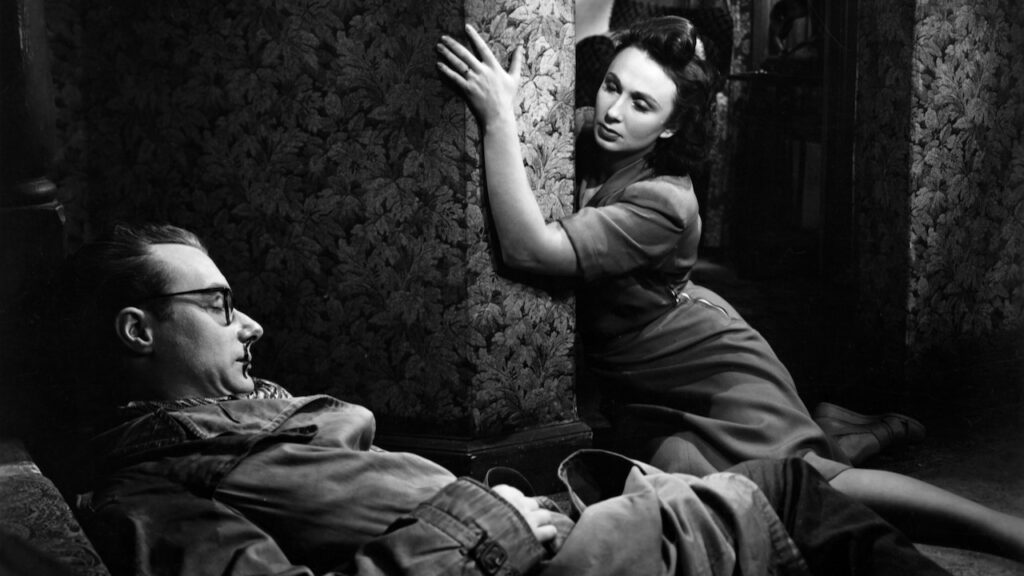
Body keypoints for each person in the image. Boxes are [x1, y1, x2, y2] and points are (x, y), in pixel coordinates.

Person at [435, 16, 1024, 561]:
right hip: (643, 376)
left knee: (809, 483)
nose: (613, 111)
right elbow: (566, 133)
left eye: (642, 103)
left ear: (670, 125)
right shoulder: (599, 133)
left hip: (706, 365)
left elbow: (529, 249)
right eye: (612, 86)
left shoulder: (663, 202)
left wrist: (499, 118)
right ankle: (847, 426)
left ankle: (1000, 527)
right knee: (716, 487)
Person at [46, 222, 953, 576]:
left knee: (763, 482)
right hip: (522, 561)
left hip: (520, 529)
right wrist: (495, 524)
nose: (249, 325)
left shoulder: (230, 428)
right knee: (781, 492)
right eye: (217, 305)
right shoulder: (151, 489)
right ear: (137, 331)